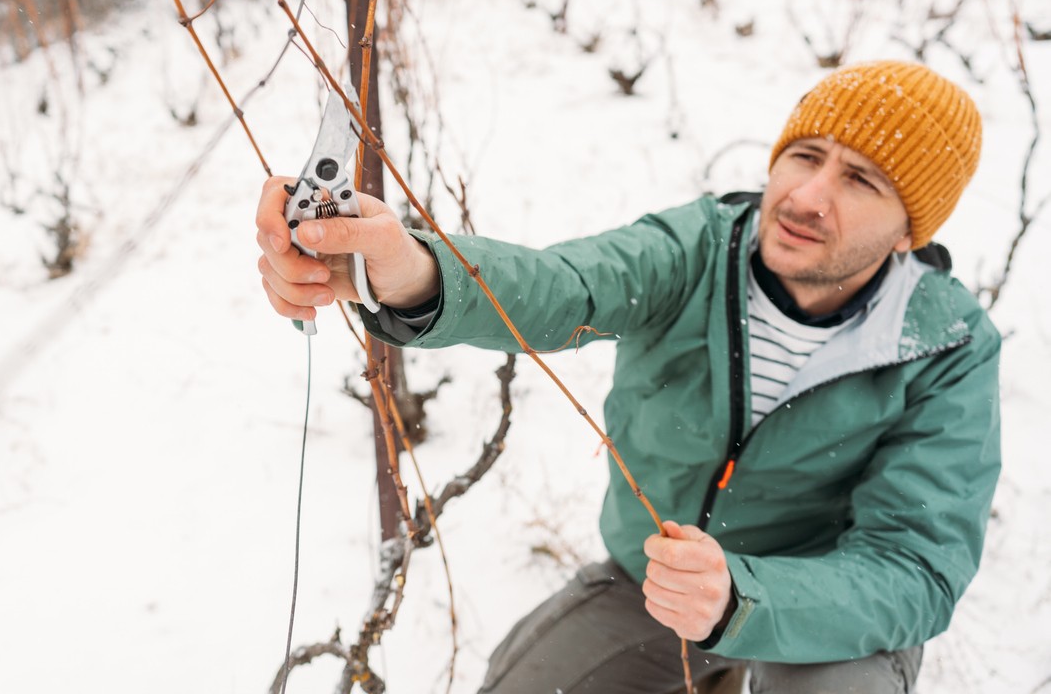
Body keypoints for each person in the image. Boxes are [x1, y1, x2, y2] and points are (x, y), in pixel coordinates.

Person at [254, 60, 1000, 693]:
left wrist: (741, 595)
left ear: (909, 229)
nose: (806, 198)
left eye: (860, 180)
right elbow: (561, 286)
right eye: (804, 156)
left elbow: (913, 567)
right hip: (650, 579)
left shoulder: (943, 344)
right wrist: (410, 272)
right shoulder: (697, 250)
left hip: (827, 613)